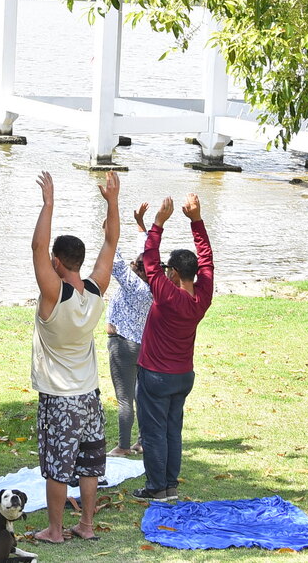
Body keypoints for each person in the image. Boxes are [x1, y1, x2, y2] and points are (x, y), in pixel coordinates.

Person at [29, 170, 119, 544]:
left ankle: (55, 530)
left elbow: (36, 249)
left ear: (57, 262)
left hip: (60, 399)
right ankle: (85, 525)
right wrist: (113, 202)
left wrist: (48, 204)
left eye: (51, 260)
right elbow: (111, 242)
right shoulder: (96, 290)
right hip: (89, 397)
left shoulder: (54, 296)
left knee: (56, 466)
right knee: (89, 463)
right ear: (79, 262)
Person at [132, 194, 213, 501]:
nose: (164, 274)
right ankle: (170, 485)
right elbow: (206, 261)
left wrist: (158, 223)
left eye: (169, 272)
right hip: (183, 377)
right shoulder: (201, 297)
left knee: (154, 433)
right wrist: (196, 221)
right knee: (171, 431)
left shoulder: (168, 295)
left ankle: (156, 489)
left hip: (156, 376)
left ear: (175, 275)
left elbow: (150, 259)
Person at [106, 203, 153, 458]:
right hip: (142, 346)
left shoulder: (133, 284)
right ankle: (143, 441)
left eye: (136, 262)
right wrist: (140, 224)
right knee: (140, 395)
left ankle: (123, 446)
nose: (133, 261)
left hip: (123, 346)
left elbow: (113, 256)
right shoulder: (154, 285)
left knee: (125, 398)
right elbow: (146, 252)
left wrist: (110, 219)